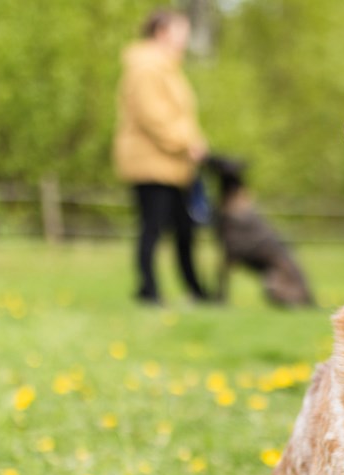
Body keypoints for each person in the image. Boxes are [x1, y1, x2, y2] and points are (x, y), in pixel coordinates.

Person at [113, 9, 209, 305]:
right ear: (161, 32)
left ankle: (196, 292)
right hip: (151, 162)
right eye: (181, 32)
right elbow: (152, 116)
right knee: (152, 227)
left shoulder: (167, 67)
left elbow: (178, 115)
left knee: (184, 229)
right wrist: (186, 143)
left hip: (173, 164)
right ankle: (148, 291)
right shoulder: (147, 67)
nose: (185, 39)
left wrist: (194, 141)